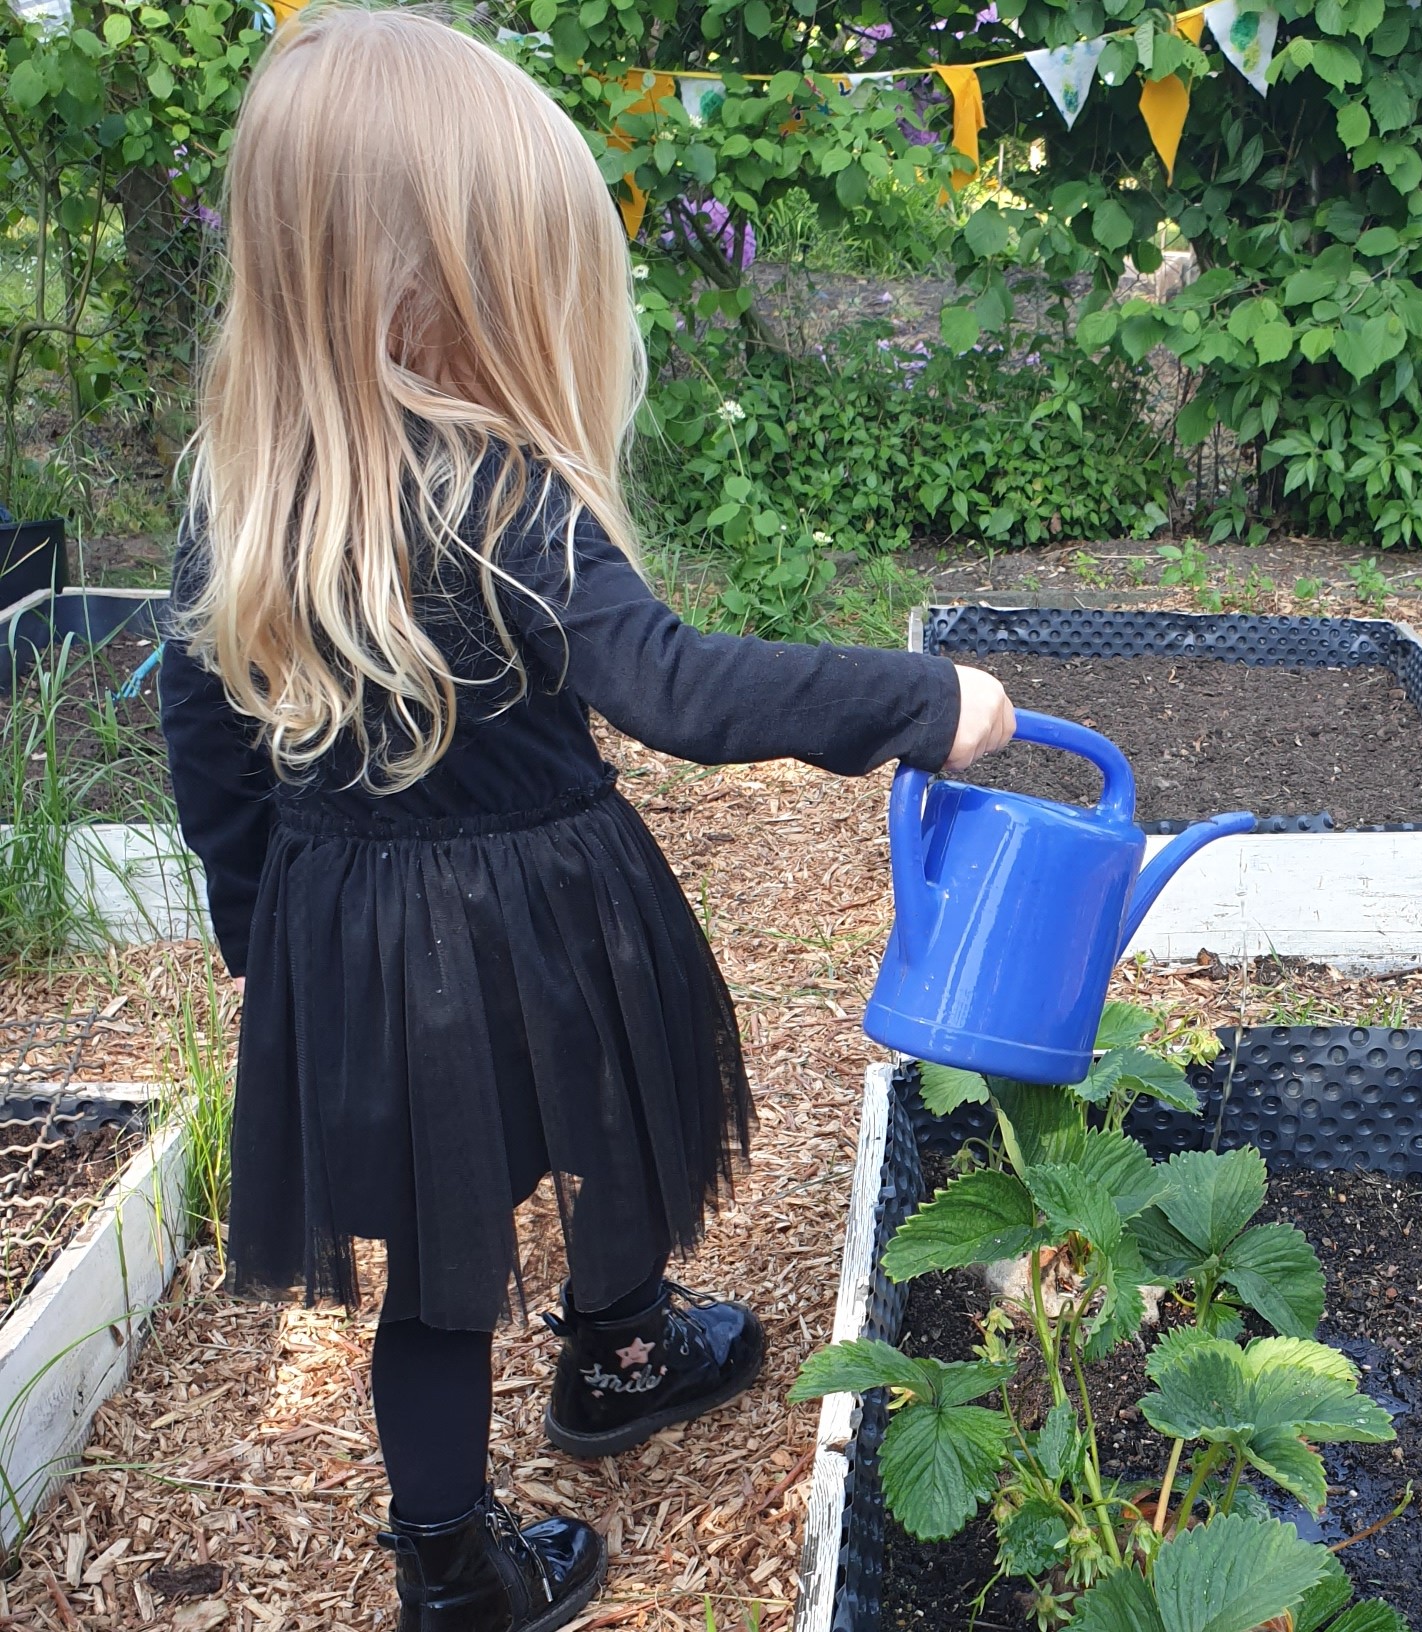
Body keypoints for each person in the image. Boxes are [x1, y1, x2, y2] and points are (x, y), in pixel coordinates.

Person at [157, 10, 1015, 1630]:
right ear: (457, 282)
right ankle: (601, 1372)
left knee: (441, 1245)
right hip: (548, 919)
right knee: (597, 1114)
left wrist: (266, 932)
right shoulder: (505, 495)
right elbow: (680, 691)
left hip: (354, 935)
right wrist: (929, 704)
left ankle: (463, 1552)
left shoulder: (242, 501)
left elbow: (201, 732)